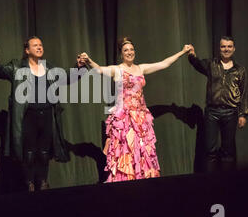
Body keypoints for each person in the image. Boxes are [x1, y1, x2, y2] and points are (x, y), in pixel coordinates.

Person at [79, 38, 192, 182]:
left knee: (143, 151)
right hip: (124, 118)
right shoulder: (117, 69)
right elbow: (100, 70)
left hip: (141, 118)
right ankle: (126, 182)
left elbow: (164, 64)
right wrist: (88, 61)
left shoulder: (141, 68)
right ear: (121, 54)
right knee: (126, 151)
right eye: (126, 50)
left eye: (131, 49)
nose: (129, 52)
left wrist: (182, 52)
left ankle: (142, 180)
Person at [0, 36, 86, 192]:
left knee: (44, 151)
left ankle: (42, 182)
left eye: (40, 45)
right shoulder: (17, 67)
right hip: (28, 116)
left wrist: (79, 68)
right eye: (35, 45)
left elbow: (67, 78)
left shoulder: (48, 68)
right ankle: (29, 183)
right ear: (27, 50)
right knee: (29, 152)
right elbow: (0, 71)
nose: (39, 47)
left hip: (46, 114)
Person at [187, 36, 248, 172]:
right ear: (219, 48)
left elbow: (244, 92)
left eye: (229, 46)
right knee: (210, 150)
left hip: (231, 113)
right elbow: (197, 63)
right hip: (212, 112)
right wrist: (192, 54)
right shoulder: (212, 64)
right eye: (223, 46)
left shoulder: (240, 70)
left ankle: (226, 183)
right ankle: (211, 183)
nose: (226, 49)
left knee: (228, 151)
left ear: (233, 49)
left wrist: (243, 114)